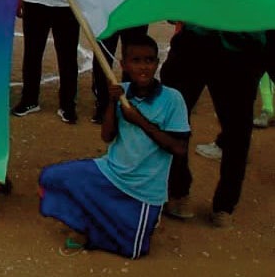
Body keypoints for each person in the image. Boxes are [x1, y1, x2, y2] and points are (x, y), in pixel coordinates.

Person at [39, 34, 189, 258]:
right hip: (110, 171)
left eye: (149, 61)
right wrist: (111, 103)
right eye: (136, 61)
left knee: (134, 251)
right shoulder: (121, 92)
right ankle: (86, 225)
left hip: (144, 188)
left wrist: (139, 120)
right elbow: (107, 137)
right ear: (124, 65)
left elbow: (179, 148)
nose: (143, 67)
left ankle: (106, 226)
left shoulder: (172, 99)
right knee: (51, 178)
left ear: (157, 64)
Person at [160, 25, 266, 228]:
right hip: (198, 41)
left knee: (237, 129)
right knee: (173, 116)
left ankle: (224, 205)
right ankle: (179, 190)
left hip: (240, 47)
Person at [11, 0, 80, 124]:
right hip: (35, 0)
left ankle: (67, 105)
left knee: (67, 56)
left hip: (66, 3)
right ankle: (30, 100)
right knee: (32, 54)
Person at [89, 26, 150, 124]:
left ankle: (105, 107)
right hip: (131, 15)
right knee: (132, 54)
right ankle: (126, 104)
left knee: (105, 55)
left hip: (110, 14)